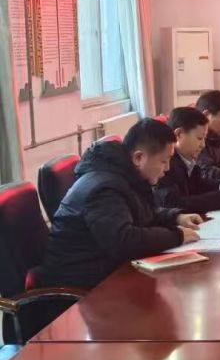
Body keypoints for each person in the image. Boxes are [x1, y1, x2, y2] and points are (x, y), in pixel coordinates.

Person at [35, 119, 202, 290]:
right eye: (163, 161)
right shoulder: (104, 189)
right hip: (79, 285)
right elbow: (123, 241)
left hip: (105, 272)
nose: (167, 168)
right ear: (138, 158)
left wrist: (175, 217)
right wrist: (177, 236)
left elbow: (140, 212)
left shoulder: (124, 175)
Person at [156, 107, 220, 214]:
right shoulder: (166, 165)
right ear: (178, 134)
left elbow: (201, 185)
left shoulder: (187, 161)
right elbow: (175, 204)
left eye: (205, 139)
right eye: (199, 138)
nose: (203, 145)